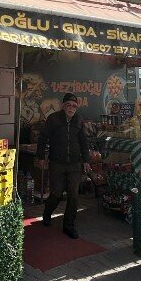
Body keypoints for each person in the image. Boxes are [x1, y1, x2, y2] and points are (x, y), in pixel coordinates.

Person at [36, 93, 91, 239]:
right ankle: (47, 212)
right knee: (56, 194)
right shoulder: (53, 119)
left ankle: (69, 226)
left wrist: (86, 160)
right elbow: (43, 138)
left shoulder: (79, 120)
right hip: (57, 163)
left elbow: (84, 142)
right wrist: (41, 157)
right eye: (69, 105)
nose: (71, 108)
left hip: (74, 164)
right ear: (63, 105)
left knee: (73, 195)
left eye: (74, 106)